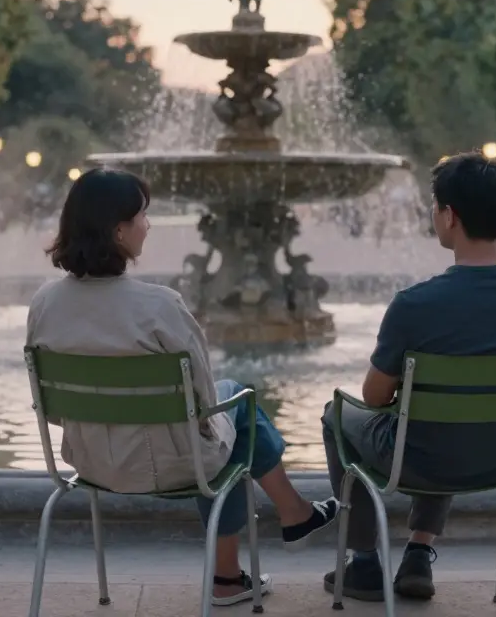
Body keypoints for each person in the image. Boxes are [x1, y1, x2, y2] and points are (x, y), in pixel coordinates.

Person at [26, 168, 339, 606]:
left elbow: (52, 410)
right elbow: (205, 403)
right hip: (169, 465)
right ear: (118, 231)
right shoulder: (160, 306)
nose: (147, 225)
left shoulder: (44, 304)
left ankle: (262, 546)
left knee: (232, 421)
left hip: (90, 462)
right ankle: (278, 528)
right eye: (142, 216)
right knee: (239, 410)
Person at [321, 154, 496, 602]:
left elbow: (374, 398)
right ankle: (418, 553)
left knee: (336, 414)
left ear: (450, 216)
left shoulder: (416, 304)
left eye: (435, 206)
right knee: (448, 418)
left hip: (422, 461)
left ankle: (365, 563)